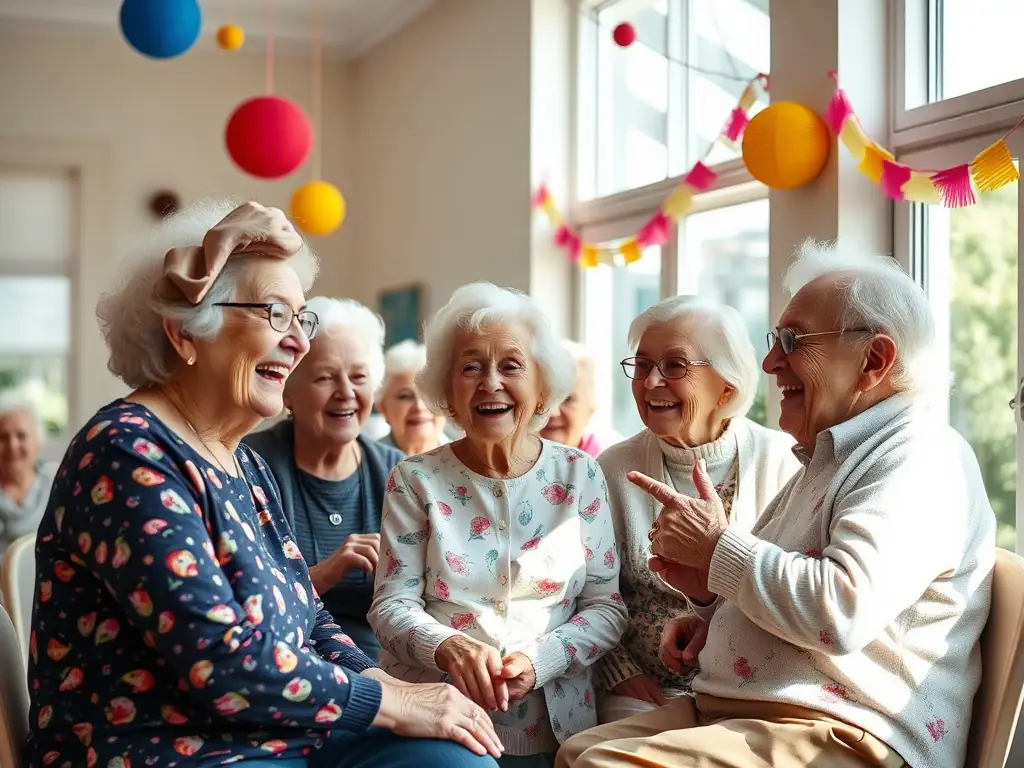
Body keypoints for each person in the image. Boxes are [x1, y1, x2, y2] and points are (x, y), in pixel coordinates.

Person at [27, 200, 502, 768]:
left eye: (302, 320)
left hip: (284, 731)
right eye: (275, 314)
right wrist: (388, 702)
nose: (298, 342)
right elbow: (218, 662)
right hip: (170, 749)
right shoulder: (126, 451)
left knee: (458, 758)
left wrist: (386, 683)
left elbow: (311, 616)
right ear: (184, 333)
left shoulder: (242, 462)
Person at [557, 240, 996, 768]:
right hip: (754, 709)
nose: (769, 362)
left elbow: (839, 611)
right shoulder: (831, 453)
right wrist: (712, 608)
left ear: (873, 360)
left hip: (846, 730)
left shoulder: (919, 457)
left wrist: (716, 548)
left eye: (793, 340)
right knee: (577, 751)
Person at [369, 282, 629, 768]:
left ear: (542, 387)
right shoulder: (415, 479)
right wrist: (447, 646)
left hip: (559, 728)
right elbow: (390, 605)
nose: (490, 382)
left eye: (511, 365)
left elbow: (606, 607)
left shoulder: (580, 474)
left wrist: (541, 660)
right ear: (447, 392)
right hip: (441, 722)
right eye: (470, 367)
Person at [593, 296, 800, 723]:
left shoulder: (783, 462)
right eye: (643, 365)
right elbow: (586, 590)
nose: (651, 382)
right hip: (643, 692)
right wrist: (617, 670)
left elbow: (793, 592)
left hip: (751, 691)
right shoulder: (611, 469)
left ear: (727, 386)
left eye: (675, 366)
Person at [243, 297, 404, 660]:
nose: (346, 392)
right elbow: (246, 603)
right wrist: (325, 572)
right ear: (286, 390)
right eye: (325, 377)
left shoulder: (399, 474)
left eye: (359, 377)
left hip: (382, 665)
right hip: (286, 661)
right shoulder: (251, 465)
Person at [539, 340, 618, 458]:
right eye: (543, 399)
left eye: (566, 400)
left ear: (590, 407)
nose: (553, 412)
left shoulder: (609, 461)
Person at [0, 392, 56, 553]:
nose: (12, 445)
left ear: (37, 441)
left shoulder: (56, 482)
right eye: (3, 437)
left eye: (21, 436)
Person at [376, 339, 449, 455]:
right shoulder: (368, 462)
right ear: (383, 408)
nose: (419, 406)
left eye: (429, 394)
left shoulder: (470, 459)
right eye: (405, 396)